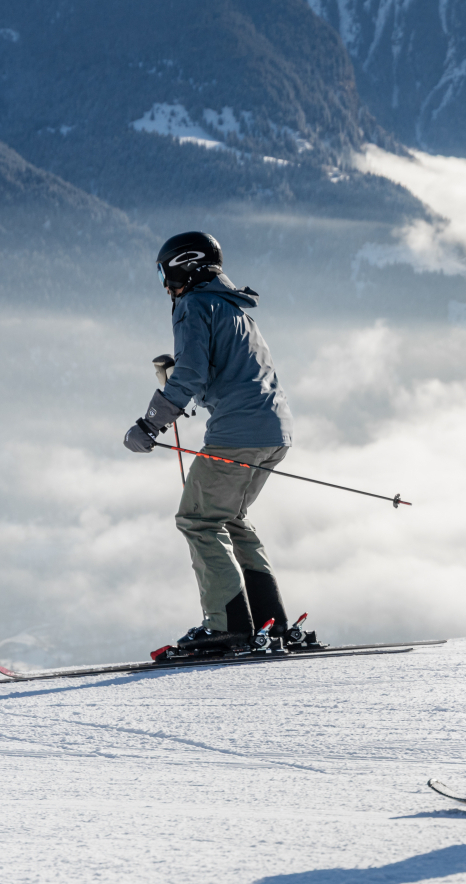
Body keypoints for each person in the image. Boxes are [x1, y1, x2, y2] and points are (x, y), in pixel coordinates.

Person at [123, 231, 299, 656]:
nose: (166, 285)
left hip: (236, 436)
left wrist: (150, 425)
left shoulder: (193, 305)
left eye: (167, 273)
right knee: (230, 517)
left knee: (198, 520)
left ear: (185, 267)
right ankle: (269, 623)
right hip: (275, 432)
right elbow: (227, 372)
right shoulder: (235, 307)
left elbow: (192, 376)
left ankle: (228, 626)